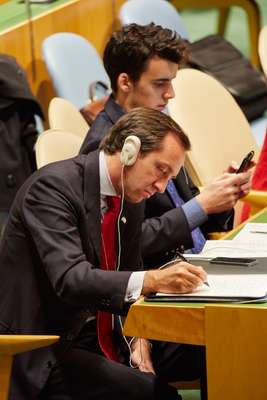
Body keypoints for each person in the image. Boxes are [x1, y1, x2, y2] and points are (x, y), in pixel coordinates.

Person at [0, 108, 209, 400]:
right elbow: (72, 279)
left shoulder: (130, 196)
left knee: (209, 347)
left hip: (108, 331)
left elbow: (126, 274)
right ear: (129, 150)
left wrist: (139, 337)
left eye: (170, 178)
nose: (162, 187)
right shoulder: (51, 189)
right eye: (161, 170)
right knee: (157, 396)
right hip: (47, 346)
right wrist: (153, 279)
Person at [80, 23, 252, 268]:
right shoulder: (104, 146)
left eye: (171, 82)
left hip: (202, 261)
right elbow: (119, 242)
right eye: (160, 84)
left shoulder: (159, 126)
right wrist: (200, 206)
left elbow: (189, 208)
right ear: (125, 82)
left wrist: (222, 197)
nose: (170, 93)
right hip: (161, 279)